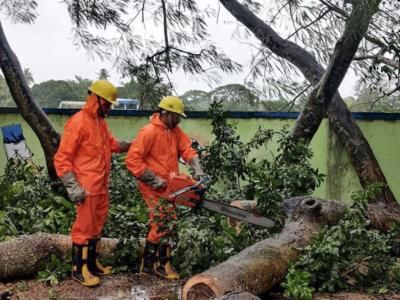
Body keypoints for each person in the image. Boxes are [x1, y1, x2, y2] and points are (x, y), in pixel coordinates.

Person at [54, 80, 131, 287]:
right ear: (96, 99)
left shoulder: (100, 122)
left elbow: (113, 144)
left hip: (101, 186)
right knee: (83, 228)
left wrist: (133, 145)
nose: (109, 108)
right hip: (86, 188)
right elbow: (62, 158)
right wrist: (73, 187)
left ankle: (92, 263)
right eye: (107, 104)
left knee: (96, 227)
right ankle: (79, 269)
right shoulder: (78, 122)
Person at [125, 95, 204, 280]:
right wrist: (152, 179)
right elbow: (132, 161)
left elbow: (187, 149)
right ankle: (152, 266)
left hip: (169, 184)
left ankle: (161, 263)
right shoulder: (149, 132)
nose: (178, 120)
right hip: (152, 185)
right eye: (176, 116)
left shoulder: (174, 131)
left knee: (170, 221)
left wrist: (197, 169)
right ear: (165, 113)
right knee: (162, 222)